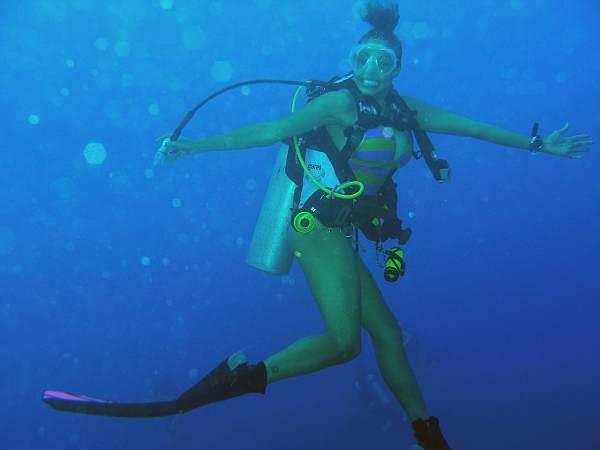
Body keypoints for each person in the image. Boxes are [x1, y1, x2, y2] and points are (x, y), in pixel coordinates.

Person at [43, 2, 592, 449]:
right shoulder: (337, 104)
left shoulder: (407, 112)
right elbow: (268, 130)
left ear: (397, 67)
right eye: (365, 57)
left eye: (385, 60)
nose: (374, 68)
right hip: (316, 228)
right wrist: (191, 145)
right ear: (352, 60)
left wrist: (538, 143)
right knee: (344, 344)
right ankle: (236, 379)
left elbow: (473, 127)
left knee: (388, 333)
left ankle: (427, 433)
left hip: (344, 232)